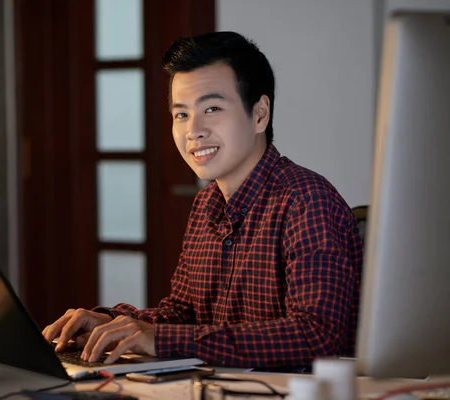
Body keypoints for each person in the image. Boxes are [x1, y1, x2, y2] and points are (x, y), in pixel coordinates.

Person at [43, 31, 363, 370]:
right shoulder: (207, 203)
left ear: (260, 114)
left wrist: (159, 339)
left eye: (211, 108)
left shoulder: (307, 201)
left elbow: (317, 335)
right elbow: (183, 314)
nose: (193, 130)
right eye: (181, 114)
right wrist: (110, 322)